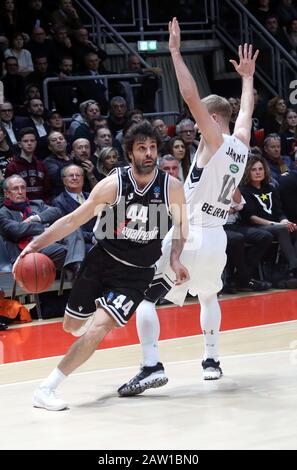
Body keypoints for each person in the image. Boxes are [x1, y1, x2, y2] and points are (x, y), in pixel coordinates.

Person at [117, 19, 258, 397]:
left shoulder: (216, 140)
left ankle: (150, 365)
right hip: (217, 239)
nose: (195, 132)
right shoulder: (242, 144)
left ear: (213, 122)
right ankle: (211, 359)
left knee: (145, 296)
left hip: (191, 234)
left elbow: (190, 96)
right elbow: (245, 113)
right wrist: (247, 79)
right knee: (209, 296)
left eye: (199, 126)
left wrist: (175, 52)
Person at [16, 120, 189, 411]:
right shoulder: (114, 184)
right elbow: (73, 221)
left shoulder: (172, 188)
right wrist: (35, 244)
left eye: (152, 147)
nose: (148, 153)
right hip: (102, 261)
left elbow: (183, 226)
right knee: (72, 326)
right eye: (141, 148)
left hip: (136, 275)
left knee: (98, 329)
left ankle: (46, 390)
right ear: (130, 153)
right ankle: (92, 314)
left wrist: (174, 258)